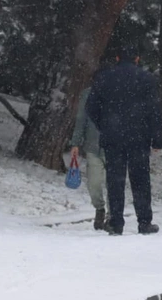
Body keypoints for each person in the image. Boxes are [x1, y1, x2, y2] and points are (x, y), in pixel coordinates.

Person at [87, 45, 162, 236]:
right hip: (139, 136)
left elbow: (91, 107)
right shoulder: (146, 79)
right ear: (137, 58)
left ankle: (116, 222)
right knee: (140, 180)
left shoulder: (105, 78)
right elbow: (154, 111)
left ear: (117, 57)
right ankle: (144, 221)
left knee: (115, 180)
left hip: (113, 136)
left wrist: (104, 124)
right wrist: (157, 139)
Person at [69, 60, 113, 230]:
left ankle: (111, 215)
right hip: (93, 146)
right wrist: (75, 143)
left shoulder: (120, 95)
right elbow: (81, 119)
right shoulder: (87, 94)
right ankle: (100, 208)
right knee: (93, 183)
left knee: (113, 184)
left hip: (114, 146)